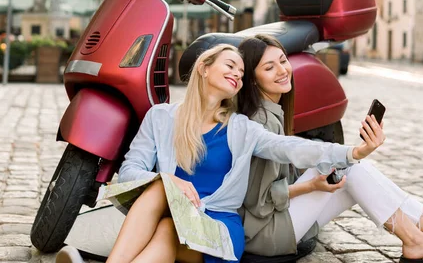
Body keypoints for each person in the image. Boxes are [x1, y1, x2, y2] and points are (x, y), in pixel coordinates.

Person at [56, 43, 382, 263]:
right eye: (231, 66)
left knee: (165, 204)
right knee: (164, 207)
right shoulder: (161, 118)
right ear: (204, 68)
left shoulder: (241, 128)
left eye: (241, 74)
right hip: (173, 224)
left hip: (218, 230)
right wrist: (168, 180)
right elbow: (129, 172)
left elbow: (293, 149)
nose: (238, 74)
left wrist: (354, 151)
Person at [237, 34, 423, 263]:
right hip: (266, 234)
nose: (282, 70)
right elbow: (255, 201)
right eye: (268, 67)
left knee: (353, 173)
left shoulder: (272, 111)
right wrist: (312, 185)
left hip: (279, 222)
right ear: (252, 78)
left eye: (283, 61)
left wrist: (318, 178)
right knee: (352, 169)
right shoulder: (259, 120)